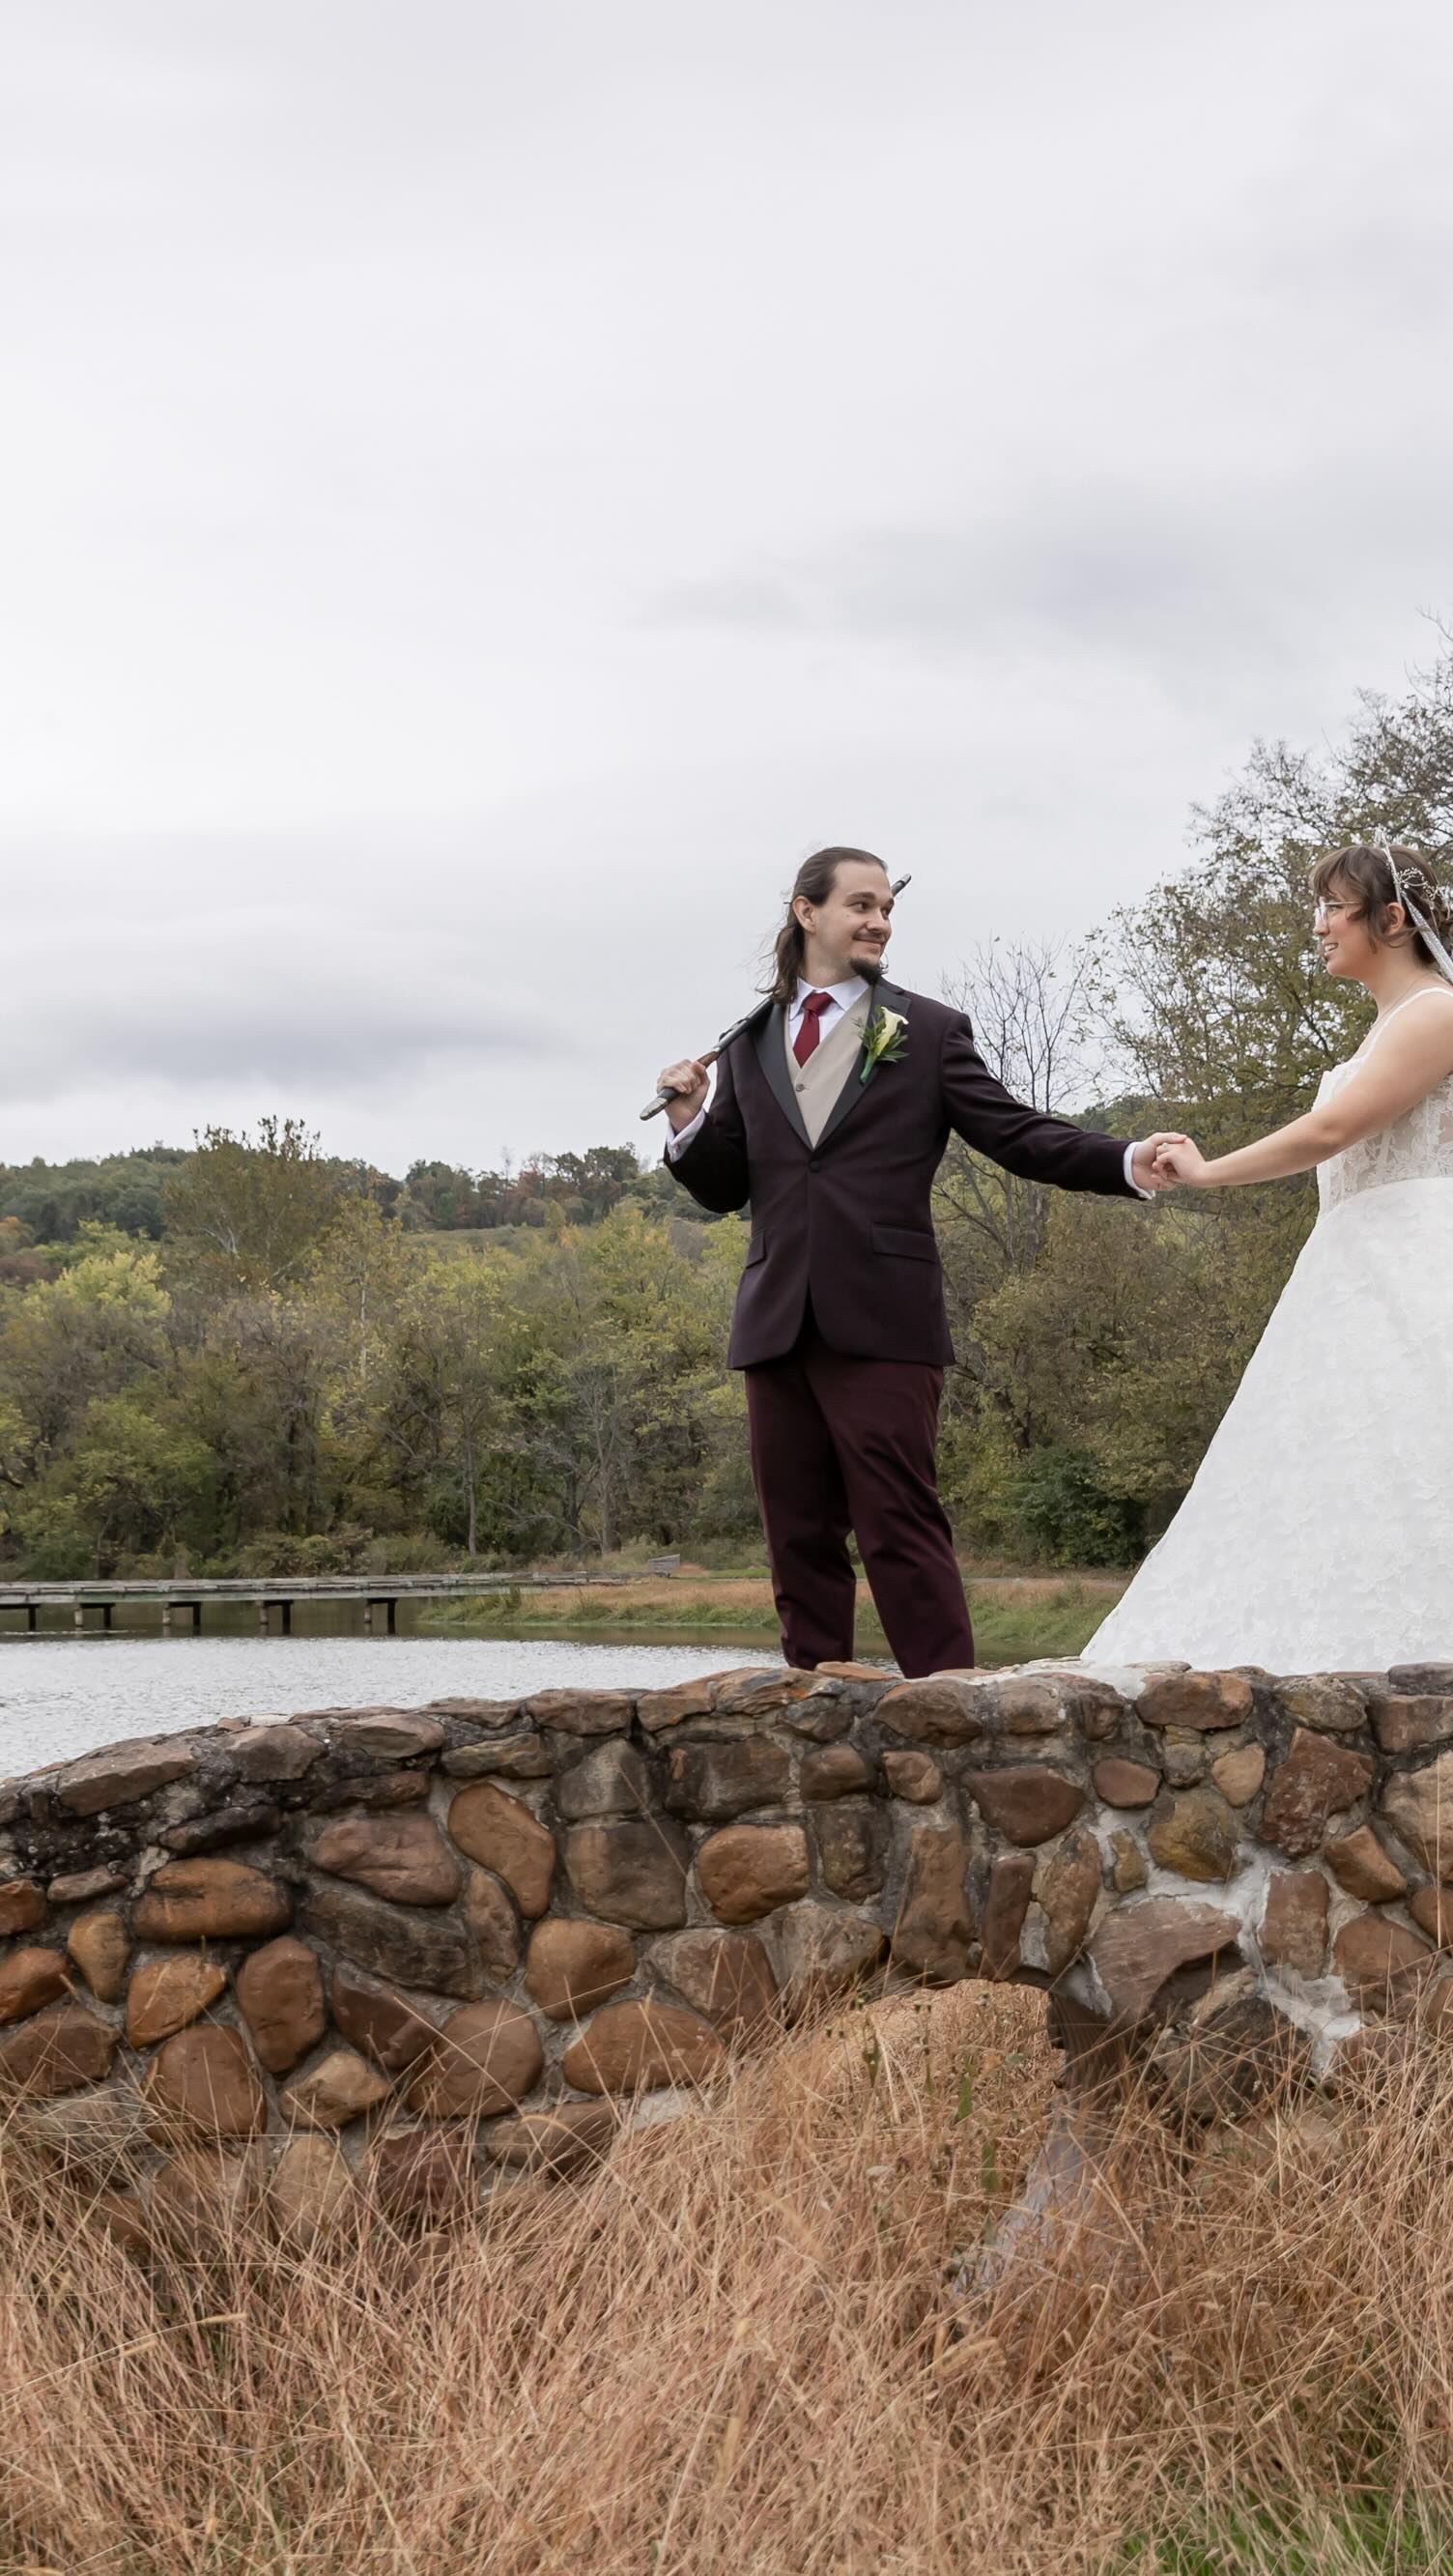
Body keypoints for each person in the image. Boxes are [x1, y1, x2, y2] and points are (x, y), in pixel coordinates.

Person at [656, 846, 1178, 1677]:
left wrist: (1124, 1159)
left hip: (886, 1315)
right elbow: (724, 1188)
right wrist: (688, 1118)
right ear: (806, 913)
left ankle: (950, 1709)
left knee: (899, 1522)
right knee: (796, 1537)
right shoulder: (751, 1041)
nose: (878, 921)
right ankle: (811, 1715)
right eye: (860, 905)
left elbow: (1015, 1133)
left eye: (886, 908)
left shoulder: (928, 1031)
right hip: (774, 1319)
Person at [1084, 838, 1453, 1674]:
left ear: (1391, 919)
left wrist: (1212, 1173)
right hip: (1354, 1270)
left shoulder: (1435, 1011)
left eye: (1333, 908)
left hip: (1416, 1267)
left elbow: (1330, 1131)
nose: (1318, 926)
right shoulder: (1396, 1021)